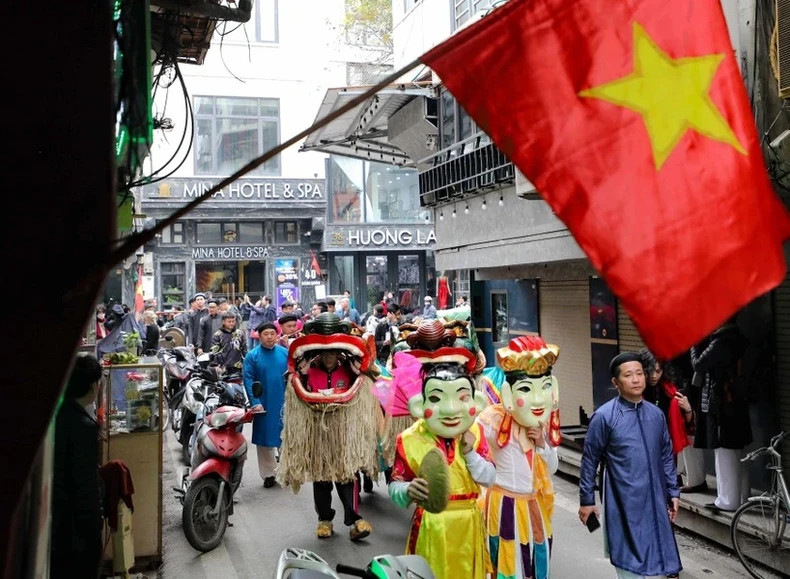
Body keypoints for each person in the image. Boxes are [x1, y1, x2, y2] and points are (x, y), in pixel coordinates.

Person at [388, 350, 494, 579]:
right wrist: (407, 490)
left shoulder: (476, 431)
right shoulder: (409, 439)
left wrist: (470, 453)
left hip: (468, 525)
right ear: (420, 405)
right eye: (436, 399)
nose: (450, 409)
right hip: (431, 526)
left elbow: (489, 478)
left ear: (476, 402)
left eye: (462, 397)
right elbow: (394, 485)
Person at [277, 313, 380, 541]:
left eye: (333, 352)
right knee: (322, 477)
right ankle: (324, 519)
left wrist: (359, 372)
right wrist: (303, 376)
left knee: (347, 475)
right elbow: (292, 387)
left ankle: (354, 520)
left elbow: (370, 379)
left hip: (343, 429)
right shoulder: (309, 370)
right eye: (324, 353)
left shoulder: (348, 369)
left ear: (339, 353)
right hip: (319, 431)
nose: (329, 357)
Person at [579, 352, 682, 579]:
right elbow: (589, 460)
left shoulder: (656, 415)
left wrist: (673, 491)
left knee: (657, 561)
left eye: (639, 374)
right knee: (629, 565)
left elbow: (666, 455)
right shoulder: (604, 417)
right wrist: (587, 500)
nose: (636, 379)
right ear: (615, 382)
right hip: (622, 502)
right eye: (628, 375)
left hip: (654, 501)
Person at [478, 336, 561, 579]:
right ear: (508, 393)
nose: (537, 399)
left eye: (544, 387)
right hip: (504, 505)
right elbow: (472, 447)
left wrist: (542, 444)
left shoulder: (543, 423)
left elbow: (552, 468)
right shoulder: (491, 421)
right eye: (526, 389)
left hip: (535, 505)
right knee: (507, 562)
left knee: (536, 560)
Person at [689, 320, 751, 512]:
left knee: (724, 451)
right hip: (735, 402)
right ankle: (742, 497)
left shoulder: (721, 341)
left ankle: (727, 500)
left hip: (722, 404)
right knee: (737, 452)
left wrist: (694, 344)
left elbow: (698, 364)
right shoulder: (739, 337)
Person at [51, 354, 103, 579]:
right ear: (93, 386)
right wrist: (94, 527)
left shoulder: (60, 415)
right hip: (77, 531)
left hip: (59, 527)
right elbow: (85, 486)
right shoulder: (83, 427)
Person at [243, 322, 288, 488]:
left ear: (277, 335)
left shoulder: (285, 353)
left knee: (286, 437)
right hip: (264, 402)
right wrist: (255, 402)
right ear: (259, 336)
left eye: (272, 334)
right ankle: (269, 474)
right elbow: (248, 380)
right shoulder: (252, 356)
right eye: (266, 334)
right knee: (264, 440)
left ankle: (286, 470)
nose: (269, 337)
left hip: (284, 402)